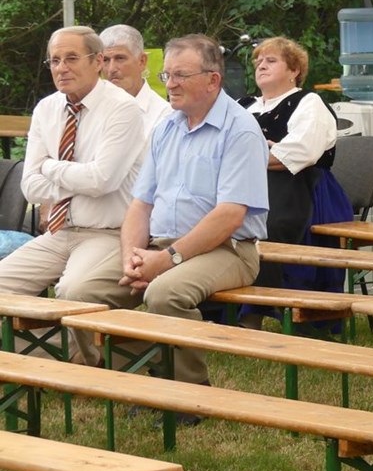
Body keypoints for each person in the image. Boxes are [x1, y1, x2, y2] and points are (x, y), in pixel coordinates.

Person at [62, 35, 269, 413]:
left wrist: (167, 259)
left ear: (213, 80)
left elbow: (230, 215)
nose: (170, 84)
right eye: (166, 75)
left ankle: (190, 393)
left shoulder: (240, 129)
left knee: (164, 294)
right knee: (78, 293)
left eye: (180, 76)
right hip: (161, 245)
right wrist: (132, 257)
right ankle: (129, 371)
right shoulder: (166, 128)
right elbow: (140, 204)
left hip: (229, 250)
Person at [0, 26, 144, 300]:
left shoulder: (123, 109)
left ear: (97, 61)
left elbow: (102, 181)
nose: (61, 68)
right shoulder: (46, 109)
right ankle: (32, 331)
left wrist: (49, 166)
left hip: (107, 234)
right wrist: (82, 181)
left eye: (71, 58)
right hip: (59, 231)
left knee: (72, 292)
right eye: (55, 60)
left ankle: (59, 331)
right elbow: (30, 187)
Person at [235, 36, 353, 329]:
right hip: (250, 183)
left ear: (294, 70)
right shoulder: (243, 105)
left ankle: (255, 309)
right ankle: (217, 305)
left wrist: (248, 155)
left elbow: (300, 153)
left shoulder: (309, 103)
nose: (261, 65)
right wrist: (261, 151)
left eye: (271, 60)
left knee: (269, 222)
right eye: (258, 61)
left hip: (302, 188)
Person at [99, 25, 172, 139]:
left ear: (142, 61)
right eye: (105, 60)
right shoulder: (90, 109)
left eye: (120, 58)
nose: (111, 69)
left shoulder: (165, 116)